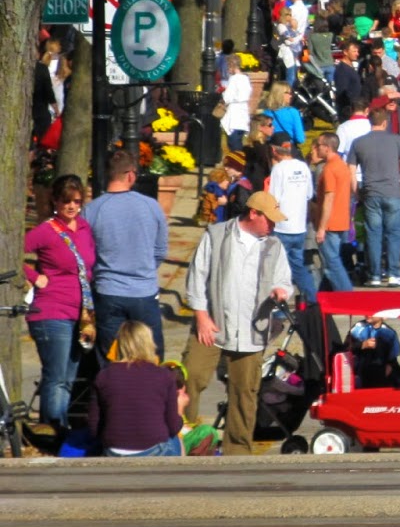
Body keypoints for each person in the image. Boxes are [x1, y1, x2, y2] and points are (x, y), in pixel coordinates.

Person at [181, 192, 293, 454]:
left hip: (251, 332)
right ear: (253, 213)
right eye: (270, 220)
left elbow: (284, 280)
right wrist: (201, 316)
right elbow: (197, 278)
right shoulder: (216, 235)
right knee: (191, 377)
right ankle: (187, 439)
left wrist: (281, 291)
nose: (274, 226)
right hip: (213, 324)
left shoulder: (274, 245)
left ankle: (237, 452)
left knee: (245, 392)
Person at [23, 174, 95, 431]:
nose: (72, 206)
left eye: (77, 200)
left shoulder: (85, 228)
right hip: (52, 313)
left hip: (80, 315)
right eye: (66, 201)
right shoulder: (46, 230)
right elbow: (11, 251)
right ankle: (52, 431)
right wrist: (33, 276)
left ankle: (59, 430)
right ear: (56, 201)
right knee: (55, 377)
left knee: (68, 378)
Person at [84, 149, 169, 360]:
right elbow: (160, 250)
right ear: (131, 175)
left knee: (111, 357)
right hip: (143, 291)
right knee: (152, 356)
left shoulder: (92, 209)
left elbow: (86, 254)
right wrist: (145, 268)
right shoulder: (150, 206)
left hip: (108, 290)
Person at [89, 321, 185, 457]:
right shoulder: (164, 375)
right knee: (176, 440)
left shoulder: (103, 376)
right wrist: (180, 410)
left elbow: (94, 428)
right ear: (149, 344)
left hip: (113, 450)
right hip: (154, 449)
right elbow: (173, 426)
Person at [349, 104, 400, 286]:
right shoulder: (396, 140)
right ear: (385, 123)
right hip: (392, 192)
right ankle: (393, 273)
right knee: (393, 234)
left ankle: (374, 275)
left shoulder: (358, 143)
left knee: (373, 234)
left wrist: (357, 192)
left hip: (371, 193)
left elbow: (351, 171)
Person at [266, 132, 317, 301]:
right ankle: (312, 300)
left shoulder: (278, 169)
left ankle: (279, 309)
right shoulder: (303, 167)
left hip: (282, 228)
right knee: (298, 266)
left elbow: (272, 199)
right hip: (299, 227)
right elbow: (309, 194)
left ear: (274, 150)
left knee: (278, 270)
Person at [310, 134, 354, 292]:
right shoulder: (342, 165)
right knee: (332, 259)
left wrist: (321, 227)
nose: (317, 148)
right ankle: (325, 295)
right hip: (341, 220)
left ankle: (346, 296)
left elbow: (329, 197)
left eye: (319, 145)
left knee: (331, 263)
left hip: (330, 222)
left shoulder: (329, 169)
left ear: (327, 148)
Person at [220, 61, 254, 151]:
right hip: (243, 112)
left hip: (234, 113)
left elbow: (227, 97)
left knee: (233, 143)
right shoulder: (246, 78)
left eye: (228, 67)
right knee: (238, 140)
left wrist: (222, 95)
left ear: (232, 66)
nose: (227, 70)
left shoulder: (234, 79)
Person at [262, 81, 305, 147]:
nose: (291, 96)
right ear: (280, 94)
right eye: (288, 93)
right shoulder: (293, 112)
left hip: (271, 149)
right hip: (288, 149)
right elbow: (300, 139)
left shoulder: (265, 113)